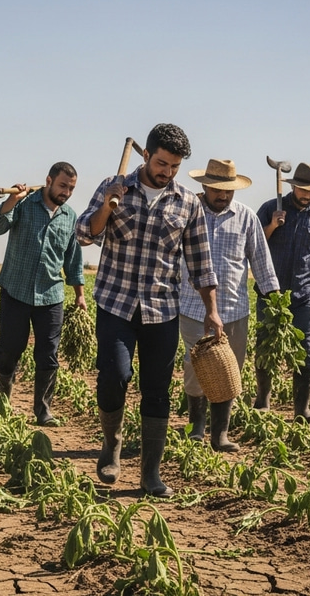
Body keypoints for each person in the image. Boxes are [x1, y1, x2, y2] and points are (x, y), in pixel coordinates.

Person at [76, 123, 221, 497]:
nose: (167, 172)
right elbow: (84, 234)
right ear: (146, 155)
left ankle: (150, 474)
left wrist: (212, 310)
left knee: (157, 391)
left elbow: (201, 263)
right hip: (116, 303)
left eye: (174, 166)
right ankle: (112, 445)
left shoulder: (187, 202)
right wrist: (108, 207)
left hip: (162, 309)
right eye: (161, 163)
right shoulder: (115, 186)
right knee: (114, 376)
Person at [179, 159, 279, 452]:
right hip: (192, 306)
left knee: (229, 370)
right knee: (195, 367)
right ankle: (196, 426)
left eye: (228, 191)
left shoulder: (246, 217)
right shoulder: (189, 214)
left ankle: (219, 434)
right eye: (217, 190)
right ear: (205, 186)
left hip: (234, 308)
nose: (223, 196)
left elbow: (261, 260)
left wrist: (274, 299)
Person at [0, 162, 87, 427]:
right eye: (63, 185)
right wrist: (11, 200)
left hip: (51, 295)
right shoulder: (24, 204)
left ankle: (43, 410)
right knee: (9, 350)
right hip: (16, 290)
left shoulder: (69, 217)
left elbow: (73, 259)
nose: (66, 192)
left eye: (71, 188)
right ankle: (2, 397)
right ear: (49, 180)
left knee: (48, 355)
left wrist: (79, 294)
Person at [255, 163, 310, 424]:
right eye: (303, 189)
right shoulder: (271, 208)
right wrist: (272, 225)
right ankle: (262, 402)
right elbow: (254, 245)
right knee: (265, 348)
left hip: (305, 294)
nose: (307, 195)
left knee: (305, 351)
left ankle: (302, 410)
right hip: (270, 293)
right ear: (293, 186)